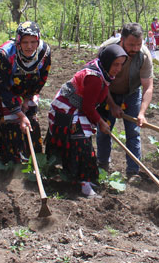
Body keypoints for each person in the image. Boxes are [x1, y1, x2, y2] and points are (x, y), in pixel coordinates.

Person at [45, 45, 127, 197]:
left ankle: (82, 177)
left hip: (77, 105)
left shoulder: (102, 69)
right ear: (108, 61)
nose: (119, 68)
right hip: (66, 108)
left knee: (83, 137)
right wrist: (101, 122)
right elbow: (88, 107)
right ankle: (83, 183)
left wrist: (107, 112)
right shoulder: (95, 77)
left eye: (121, 64)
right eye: (116, 64)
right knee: (81, 141)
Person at [0, 21, 51, 164]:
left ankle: (33, 163)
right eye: (25, 42)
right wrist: (19, 114)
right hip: (3, 92)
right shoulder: (4, 55)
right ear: (18, 41)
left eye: (33, 42)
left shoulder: (44, 52)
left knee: (31, 122)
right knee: (9, 124)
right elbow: (1, 87)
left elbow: (42, 78)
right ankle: (9, 165)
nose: (29, 46)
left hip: (28, 90)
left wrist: (27, 100)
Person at [97, 23, 154, 181]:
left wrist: (142, 113)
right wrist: (113, 105)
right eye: (131, 45)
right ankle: (102, 165)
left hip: (132, 93)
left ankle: (133, 171)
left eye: (139, 44)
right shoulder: (106, 50)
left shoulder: (143, 55)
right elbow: (99, 81)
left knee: (134, 132)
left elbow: (148, 86)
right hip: (107, 90)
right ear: (121, 40)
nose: (135, 48)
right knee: (104, 129)